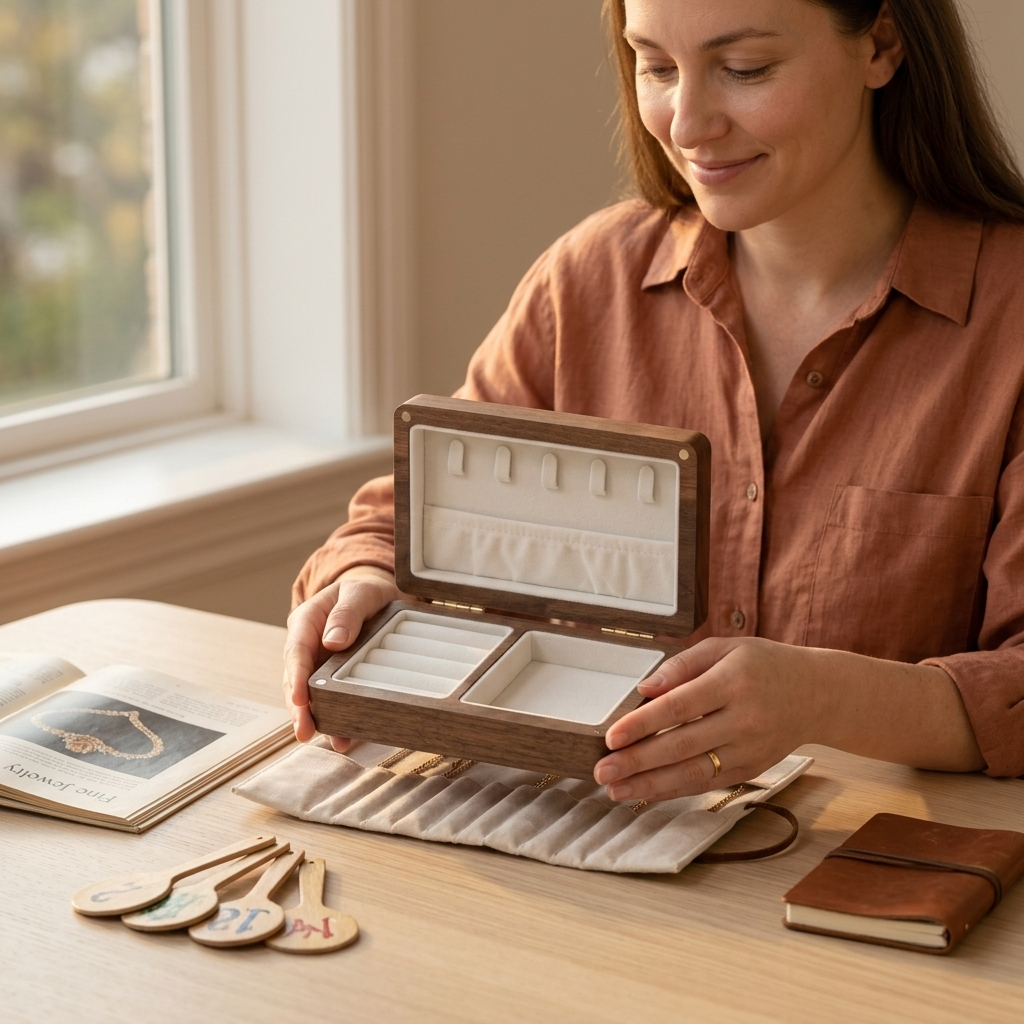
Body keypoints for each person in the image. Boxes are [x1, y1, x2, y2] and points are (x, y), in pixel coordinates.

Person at [284, 0, 1024, 803]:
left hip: (869, 884)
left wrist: (823, 699)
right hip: (582, 855)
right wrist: (363, 581)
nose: (688, 123)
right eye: (658, 67)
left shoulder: (1009, 318)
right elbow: (406, 521)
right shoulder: (588, 282)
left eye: (745, 70)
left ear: (881, 45)